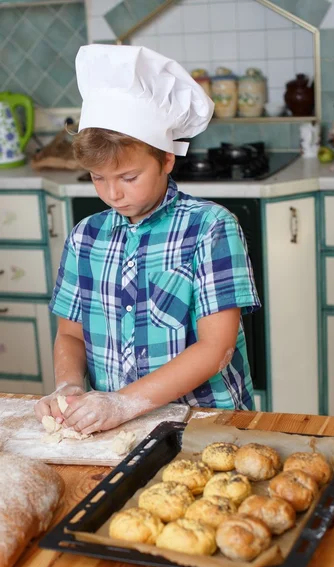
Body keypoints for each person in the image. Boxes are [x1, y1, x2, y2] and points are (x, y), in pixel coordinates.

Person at [34, 45, 261, 435]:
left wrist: (123, 402)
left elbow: (216, 348)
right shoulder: (85, 236)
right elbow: (70, 334)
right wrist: (69, 388)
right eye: (97, 178)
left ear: (167, 160)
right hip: (118, 428)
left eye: (128, 177)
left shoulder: (210, 228)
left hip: (206, 426)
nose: (112, 194)